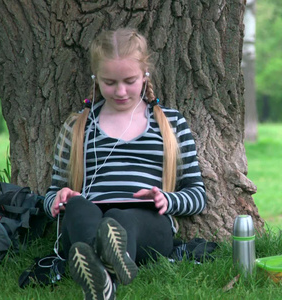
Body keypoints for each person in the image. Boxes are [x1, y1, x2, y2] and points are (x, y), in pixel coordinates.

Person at [43, 28, 206, 300]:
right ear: (95, 79)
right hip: (91, 217)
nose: (120, 91)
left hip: (148, 223)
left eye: (130, 81)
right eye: (109, 82)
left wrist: (167, 200)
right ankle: (105, 272)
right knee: (79, 207)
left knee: (121, 218)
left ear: (145, 75)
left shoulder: (171, 123)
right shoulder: (78, 126)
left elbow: (197, 194)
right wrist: (57, 200)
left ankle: (102, 267)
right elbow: (51, 192)